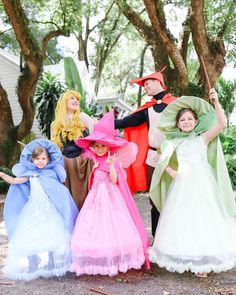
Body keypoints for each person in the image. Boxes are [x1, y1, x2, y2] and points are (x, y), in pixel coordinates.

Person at [148, 89, 236, 277]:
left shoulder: (202, 138)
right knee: (184, 217)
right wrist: (173, 172)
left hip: (203, 182)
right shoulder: (174, 142)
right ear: (178, 125)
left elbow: (221, 123)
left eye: (189, 119)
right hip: (183, 185)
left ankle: (204, 260)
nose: (186, 122)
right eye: (182, 120)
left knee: (204, 217)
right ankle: (185, 254)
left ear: (196, 121)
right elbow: (161, 160)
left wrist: (216, 102)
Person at [70, 111, 150, 276]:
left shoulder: (112, 160)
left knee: (113, 220)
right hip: (95, 197)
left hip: (111, 196)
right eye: (97, 146)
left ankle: (115, 251)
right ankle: (97, 248)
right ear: (93, 147)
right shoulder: (95, 160)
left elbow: (114, 180)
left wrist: (112, 165)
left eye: (103, 146)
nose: (99, 149)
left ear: (108, 147)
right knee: (96, 221)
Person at [1, 139, 79, 280]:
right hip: (33, 210)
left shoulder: (51, 174)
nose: (40, 161)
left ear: (49, 159)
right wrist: (1, 175)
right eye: (37, 159)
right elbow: (14, 181)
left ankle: (51, 261)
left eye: (43, 158)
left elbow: (58, 191)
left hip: (49, 210)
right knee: (32, 236)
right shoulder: (29, 175)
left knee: (51, 234)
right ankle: (33, 262)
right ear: (32, 160)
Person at [114, 70, 177, 237]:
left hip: (173, 157)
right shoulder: (146, 109)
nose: (145, 87)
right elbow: (125, 122)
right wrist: (101, 124)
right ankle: (157, 238)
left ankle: (175, 237)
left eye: (147, 83)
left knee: (175, 196)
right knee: (154, 199)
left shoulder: (176, 104)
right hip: (152, 158)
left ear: (158, 82)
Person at [51, 90, 97, 209]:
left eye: (77, 99)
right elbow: (54, 147)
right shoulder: (55, 125)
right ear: (63, 102)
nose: (76, 100)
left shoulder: (83, 117)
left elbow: (97, 135)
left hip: (84, 162)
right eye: (72, 98)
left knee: (87, 196)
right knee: (69, 197)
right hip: (66, 164)